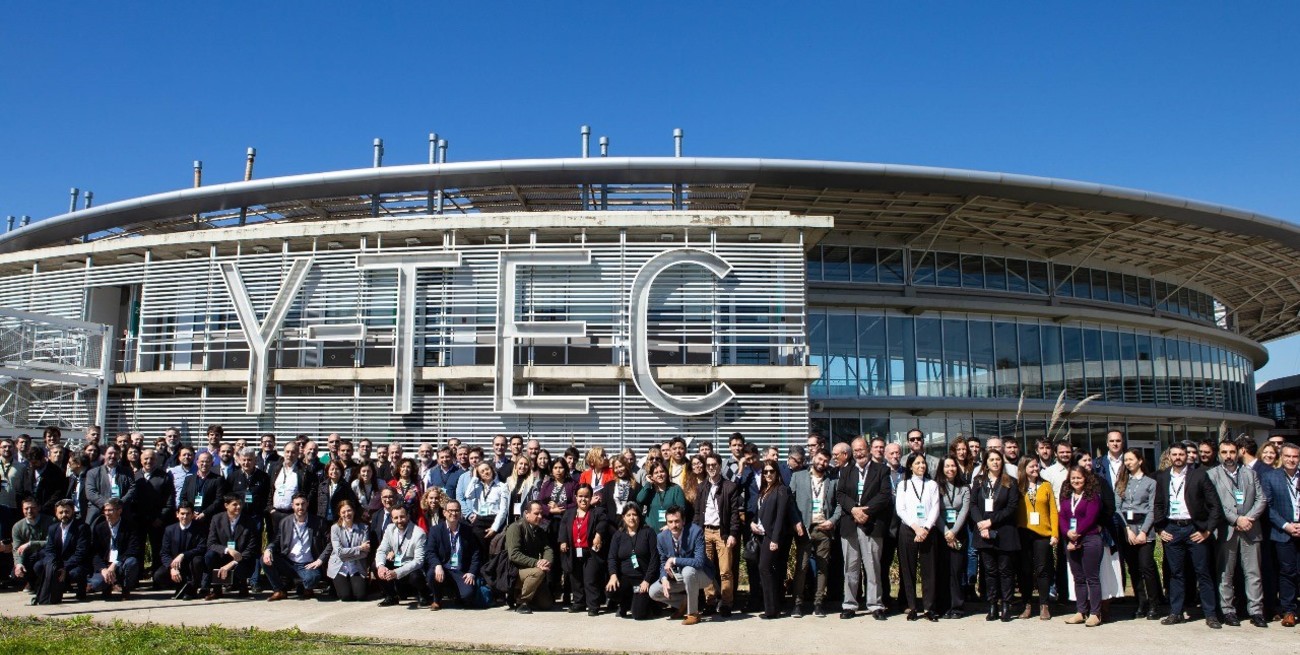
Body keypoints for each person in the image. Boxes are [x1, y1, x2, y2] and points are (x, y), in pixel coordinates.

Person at [1154, 442, 1223, 628]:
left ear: (1187, 456)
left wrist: (1207, 530)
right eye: (1174, 454)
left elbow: (1215, 506)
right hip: (1172, 529)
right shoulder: (1163, 477)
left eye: (1181, 454)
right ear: (1169, 456)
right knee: (1176, 574)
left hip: (1195, 529)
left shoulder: (1199, 475)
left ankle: (1211, 614)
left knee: (1204, 573)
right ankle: (1176, 612)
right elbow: (1158, 505)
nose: (1178, 457)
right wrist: (1160, 529)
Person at [1207, 437, 1267, 627]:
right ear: (1219, 454)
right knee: (1226, 573)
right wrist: (1236, 519)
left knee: (1253, 573)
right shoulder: (1212, 475)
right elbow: (1214, 503)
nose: (1229, 456)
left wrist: (1248, 518)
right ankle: (1228, 611)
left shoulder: (1250, 474)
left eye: (1232, 452)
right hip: (1227, 530)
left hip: (1251, 528)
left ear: (1239, 452)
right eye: (1224, 452)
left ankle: (1256, 611)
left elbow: (1261, 499)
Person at [836, 436, 892, 620]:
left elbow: (884, 495)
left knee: (873, 567)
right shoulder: (846, 470)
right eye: (856, 450)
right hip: (850, 525)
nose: (859, 453)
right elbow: (840, 494)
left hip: (872, 524)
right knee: (850, 567)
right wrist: (853, 509)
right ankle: (850, 605)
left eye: (862, 449)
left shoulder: (882, 470)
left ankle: (875, 605)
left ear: (867, 449)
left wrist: (865, 511)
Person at [971, 448, 1020, 622]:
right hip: (983, 533)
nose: (995, 462)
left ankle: (1007, 604)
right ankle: (992, 604)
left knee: (1005, 571)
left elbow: (1011, 508)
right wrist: (981, 524)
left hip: (1004, 532)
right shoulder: (978, 481)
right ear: (986, 463)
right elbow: (973, 505)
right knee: (989, 571)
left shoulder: (1011, 482)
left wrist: (990, 522)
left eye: (998, 459)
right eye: (991, 460)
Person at [1114, 447, 1161, 620]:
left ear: (1140, 460)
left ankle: (1154, 604)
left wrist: (1143, 532)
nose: (1128, 462)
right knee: (1133, 569)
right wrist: (1127, 529)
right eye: (1125, 460)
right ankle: (1141, 602)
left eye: (1131, 459)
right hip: (1127, 530)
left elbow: (1151, 509)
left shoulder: (1150, 483)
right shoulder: (1122, 482)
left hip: (1144, 530)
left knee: (1146, 567)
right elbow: (1118, 508)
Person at [650, 505, 715, 625]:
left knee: (688, 571)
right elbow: (663, 562)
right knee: (653, 591)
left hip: (703, 575)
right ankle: (683, 603)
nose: (674, 525)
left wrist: (674, 560)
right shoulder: (661, 537)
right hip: (680, 577)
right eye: (670, 522)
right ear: (667, 523)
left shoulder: (696, 532)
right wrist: (664, 577)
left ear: (683, 521)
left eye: (677, 521)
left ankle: (693, 614)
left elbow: (699, 562)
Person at [895, 452, 940, 621]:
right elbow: (901, 509)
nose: (921, 466)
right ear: (910, 466)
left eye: (923, 463)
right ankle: (912, 606)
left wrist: (925, 528)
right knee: (908, 569)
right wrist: (916, 528)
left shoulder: (932, 485)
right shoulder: (903, 485)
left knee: (929, 571)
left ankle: (928, 608)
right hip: (908, 530)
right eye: (917, 463)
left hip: (928, 531)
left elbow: (935, 508)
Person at [1261, 441, 1300, 627]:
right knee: (1287, 572)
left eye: (1295, 457)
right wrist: (1286, 525)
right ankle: (1289, 610)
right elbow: (1267, 507)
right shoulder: (1270, 477)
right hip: (1283, 533)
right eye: (1288, 456)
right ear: (1281, 457)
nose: (1292, 460)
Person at [265, 493, 330, 601]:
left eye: (303, 504)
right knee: (265, 559)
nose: (300, 507)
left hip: (308, 564)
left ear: (307, 504)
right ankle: (279, 590)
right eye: (297, 504)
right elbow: (277, 540)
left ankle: (303, 585)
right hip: (289, 562)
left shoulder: (318, 522)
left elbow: (330, 543)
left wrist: (320, 560)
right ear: (292, 506)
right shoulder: (285, 521)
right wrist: (268, 549)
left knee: (313, 578)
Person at [1059, 467, 1103, 626]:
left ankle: (1095, 613)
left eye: (1079, 478)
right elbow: (1062, 517)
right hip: (1071, 540)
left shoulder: (1092, 496)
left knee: (1092, 577)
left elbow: (1091, 518)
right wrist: (1067, 533)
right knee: (1078, 578)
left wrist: (1076, 533)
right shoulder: (1065, 497)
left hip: (1089, 538)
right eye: (1073, 478)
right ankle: (1081, 611)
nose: (1076, 481)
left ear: (1086, 479)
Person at [559, 483, 609, 615]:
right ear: (575, 497)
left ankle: (593, 605)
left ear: (591, 497)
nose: (583, 499)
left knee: (590, 579)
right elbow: (563, 527)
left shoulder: (597, 511)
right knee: (575, 579)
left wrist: (598, 536)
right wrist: (563, 541)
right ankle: (578, 603)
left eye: (587, 496)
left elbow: (603, 523)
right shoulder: (569, 513)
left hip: (590, 552)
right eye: (580, 496)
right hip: (573, 550)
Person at [1016, 457, 1057, 620]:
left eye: (1036, 466)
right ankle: (1026, 604)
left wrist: (1055, 533)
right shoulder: (1018, 487)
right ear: (1023, 467)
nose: (1035, 468)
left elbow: (1053, 510)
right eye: (1031, 466)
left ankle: (1044, 605)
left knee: (1042, 570)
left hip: (1042, 534)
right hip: (1023, 533)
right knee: (1025, 570)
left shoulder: (1046, 485)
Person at [424, 499, 482, 609]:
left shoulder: (468, 530)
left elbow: (475, 553)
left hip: (461, 571)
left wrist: (471, 572)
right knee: (432, 574)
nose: (453, 513)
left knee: (468, 595)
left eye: (456, 511)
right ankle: (437, 599)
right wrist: (437, 565)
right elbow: (430, 552)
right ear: (444, 512)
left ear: (460, 513)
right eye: (450, 510)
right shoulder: (435, 530)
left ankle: (456, 595)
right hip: (443, 569)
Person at [751, 461, 791, 619]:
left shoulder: (781, 490)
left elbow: (781, 517)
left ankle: (771, 610)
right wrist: (752, 523)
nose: (768, 474)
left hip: (772, 536)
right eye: (765, 472)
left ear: (777, 473)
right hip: (760, 534)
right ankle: (773, 606)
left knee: (764, 568)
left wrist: (775, 539)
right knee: (766, 570)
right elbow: (759, 513)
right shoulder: (763, 490)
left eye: (771, 471)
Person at [201, 494, 259, 600]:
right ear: (226, 505)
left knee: (245, 563)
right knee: (210, 556)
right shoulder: (216, 519)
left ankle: (243, 587)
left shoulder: (249, 521)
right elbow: (211, 543)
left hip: (242, 558)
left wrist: (233, 562)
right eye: (235, 504)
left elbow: (251, 548)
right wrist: (227, 550)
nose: (238, 507)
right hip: (223, 555)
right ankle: (216, 590)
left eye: (240, 504)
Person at [606, 504, 659, 620]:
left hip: (642, 579)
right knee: (610, 590)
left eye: (634, 514)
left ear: (639, 517)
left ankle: (646, 603)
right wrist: (613, 575)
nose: (631, 518)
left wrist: (647, 580)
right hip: (624, 577)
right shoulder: (618, 535)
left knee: (638, 615)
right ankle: (625, 602)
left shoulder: (648, 532)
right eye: (628, 515)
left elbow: (654, 558)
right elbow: (612, 558)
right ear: (623, 517)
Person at [32, 499, 90, 604]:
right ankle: (51, 591)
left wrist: (65, 567)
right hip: (58, 563)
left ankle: (79, 591)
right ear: (56, 513)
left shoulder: (82, 527)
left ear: (73, 511)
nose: (64, 515)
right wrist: (56, 566)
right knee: (38, 566)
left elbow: (81, 553)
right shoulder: (53, 528)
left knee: (76, 573)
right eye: (61, 512)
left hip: (76, 563)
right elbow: (49, 550)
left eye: (67, 512)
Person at [505, 500, 555, 613]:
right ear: (526, 513)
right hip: (514, 571)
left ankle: (520, 594)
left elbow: (547, 549)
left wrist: (546, 562)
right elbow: (514, 554)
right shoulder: (515, 528)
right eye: (536, 513)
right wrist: (537, 563)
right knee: (538, 572)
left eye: (541, 513)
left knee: (546, 604)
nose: (540, 516)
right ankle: (522, 602)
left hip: (529, 570)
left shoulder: (540, 531)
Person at [375, 504, 429, 607]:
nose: (399, 520)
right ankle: (391, 597)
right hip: (397, 562)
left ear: (408, 516)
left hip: (411, 567)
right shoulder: (390, 529)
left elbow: (418, 561)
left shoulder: (418, 533)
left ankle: (423, 594)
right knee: (376, 565)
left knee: (416, 576)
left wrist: (396, 572)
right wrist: (381, 566)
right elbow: (382, 550)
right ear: (392, 519)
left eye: (402, 517)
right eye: (396, 518)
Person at [936, 456, 969, 619]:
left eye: (953, 466)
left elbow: (964, 511)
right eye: (947, 466)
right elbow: (934, 511)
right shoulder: (936, 487)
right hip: (941, 533)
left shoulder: (964, 487)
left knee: (956, 571)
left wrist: (953, 532)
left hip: (958, 533)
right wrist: (945, 532)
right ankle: (943, 606)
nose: (950, 469)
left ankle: (957, 606)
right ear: (942, 468)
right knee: (943, 570)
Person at [152, 502, 205, 599]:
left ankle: (192, 589)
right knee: (158, 576)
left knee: (198, 561)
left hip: (191, 565)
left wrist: (183, 555)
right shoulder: (169, 530)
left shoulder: (199, 528)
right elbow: (164, 552)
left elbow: (201, 548)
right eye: (182, 513)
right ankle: (179, 586)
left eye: (188, 514)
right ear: (177, 514)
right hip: (176, 565)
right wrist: (171, 567)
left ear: (192, 515)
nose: (185, 516)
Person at [327, 499, 371, 602]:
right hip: (340, 566)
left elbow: (365, 553)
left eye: (349, 510)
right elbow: (339, 552)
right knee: (345, 597)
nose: (347, 514)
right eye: (343, 512)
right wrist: (359, 548)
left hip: (356, 566)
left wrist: (345, 554)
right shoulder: (335, 528)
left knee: (360, 596)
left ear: (354, 511)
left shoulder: (364, 528)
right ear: (339, 513)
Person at [84, 444, 135, 527]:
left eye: (116, 453)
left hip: (121, 511)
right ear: (104, 454)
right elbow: (91, 492)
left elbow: (132, 489)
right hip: (98, 512)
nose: (113, 456)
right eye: (110, 453)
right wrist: (108, 505)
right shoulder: (93, 472)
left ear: (120, 456)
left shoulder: (127, 472)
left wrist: (119, 504)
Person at [462, 461, 508, 546]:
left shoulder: (502, 486)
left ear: (492, 470)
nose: (485, 472)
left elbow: (503, 510)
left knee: (493, 550)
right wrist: (475, 478)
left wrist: (494, 528)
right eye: (482, 472)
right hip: (480, 521)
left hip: (494, 520)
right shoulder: (477, 486)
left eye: (487, 469)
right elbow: (467, 495)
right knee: (478, 549)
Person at [637, 461, 686, 532]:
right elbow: (639, 500)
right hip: (651, 533)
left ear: (666, 473)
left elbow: (681, 510)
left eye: (662, 471)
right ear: (652, 476)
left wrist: (670, 526)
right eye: (656, 473)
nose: (659, 475)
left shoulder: (675, 489)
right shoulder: (649, 490)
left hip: (671, 531)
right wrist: (648, 483)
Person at [314, 459, 359, 523]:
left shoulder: (346, 486)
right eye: (332, 469)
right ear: (327, 471)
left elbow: (352, 502)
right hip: (323, 520)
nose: (334, 471)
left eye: (337, 469)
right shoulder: (322, 485)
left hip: (339, 520)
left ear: (341, 471)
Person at [504, 456, 539, 526]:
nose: (523, 466)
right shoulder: (509, 480)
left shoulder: (533, 482)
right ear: (516, 465)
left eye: (526, 464)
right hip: (510, 519)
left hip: (525, 520)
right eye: (521, 463)